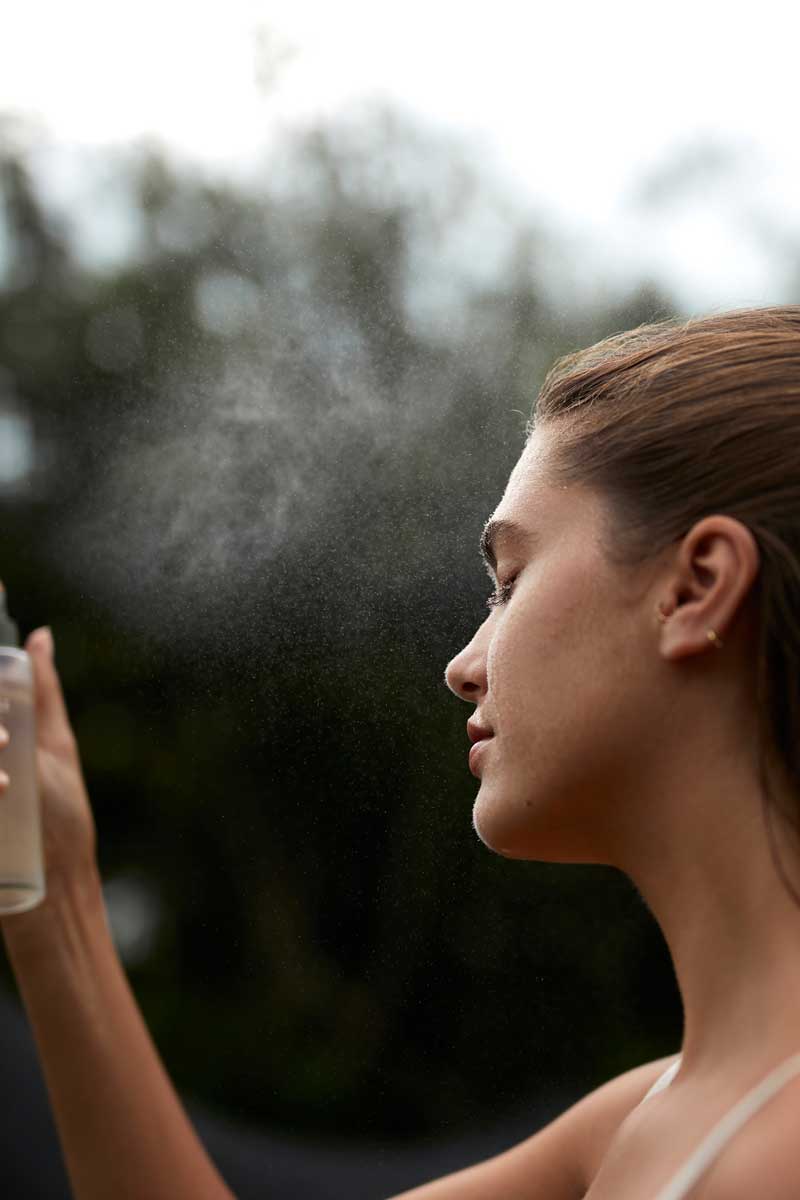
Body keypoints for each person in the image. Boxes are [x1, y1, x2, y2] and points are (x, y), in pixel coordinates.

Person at [3, 303, 800, 1200]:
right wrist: (52, 889)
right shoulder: (639, 1124)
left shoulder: (765, 1153)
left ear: (696, 588)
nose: (462, 668)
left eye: (509, 581)